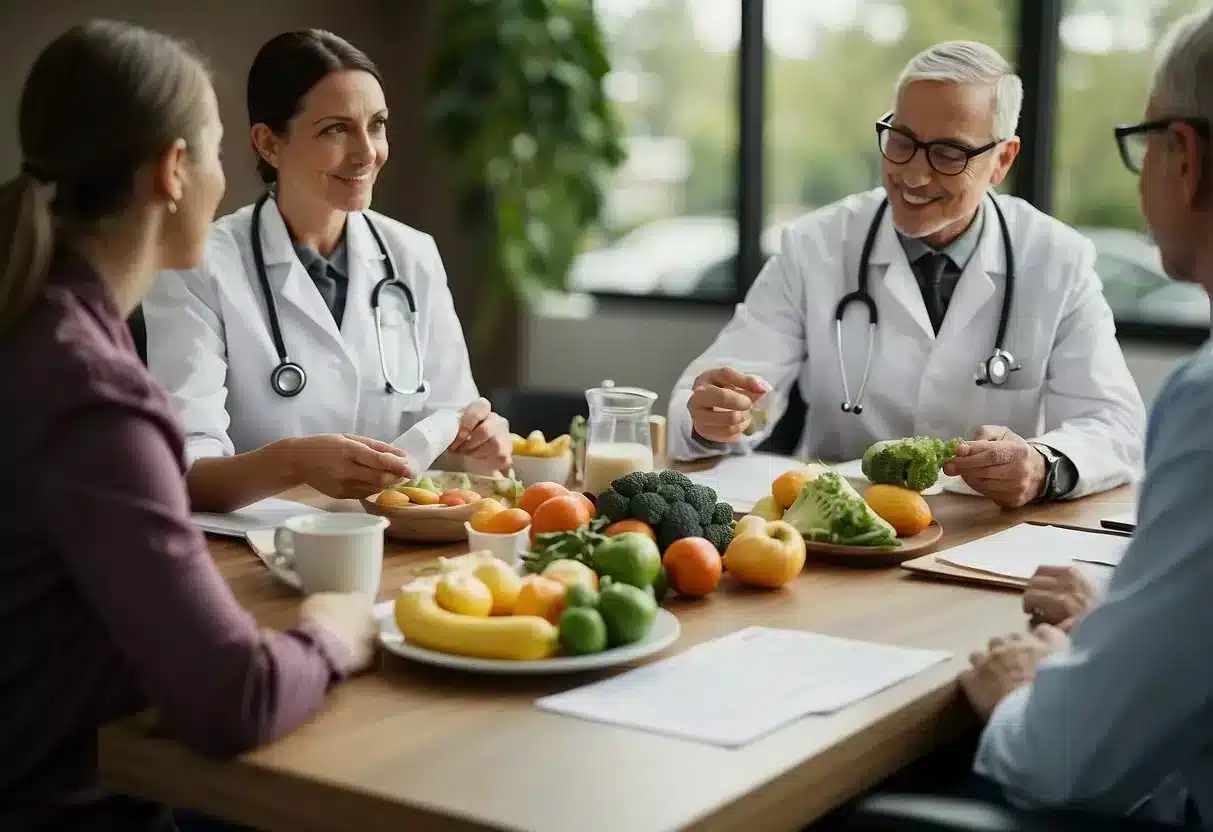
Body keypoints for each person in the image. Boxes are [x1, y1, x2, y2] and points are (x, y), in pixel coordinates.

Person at [0, 20, 376, 831]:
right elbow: (235, 698)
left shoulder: (37, 327)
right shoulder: (91, 393)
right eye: (211, 153)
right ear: (175, 171)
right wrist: (333, 630)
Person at [667, 40, 1145, 509]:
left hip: (983, 530)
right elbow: (717, 395)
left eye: (948, 153)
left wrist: (1042, 464)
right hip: (835, 521)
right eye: (902, 142)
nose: (914, 175)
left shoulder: (1057, 259)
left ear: (1002, 159)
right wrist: (714, 418)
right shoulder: (814, 247)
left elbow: (1114, 424)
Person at [960, 7, 1213, 826]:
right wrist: (1124, 619)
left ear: (1186, 157)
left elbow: (1062, 762)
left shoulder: (1205, 398)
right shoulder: (822, 243)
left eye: (1142, 148)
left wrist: (1024, 688)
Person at [141, 29, 509, 513]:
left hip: (394, 541)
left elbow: (453, 422)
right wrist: (291, 463)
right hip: (256, 555)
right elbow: (180, 471)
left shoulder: (413, 255)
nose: (366, 152)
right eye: (336, 129)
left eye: (376, 125)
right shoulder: (197, 265)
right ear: (269, 143)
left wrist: (479, 441)